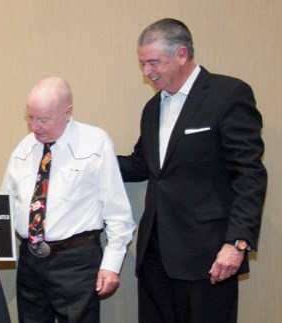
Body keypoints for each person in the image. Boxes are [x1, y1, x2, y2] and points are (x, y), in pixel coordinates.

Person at [118, 18, 266, 323]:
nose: (146, 71)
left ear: (182, 54)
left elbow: (249, 173)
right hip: (155, 254)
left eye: (153, 62)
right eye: (143, 63)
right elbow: (141, 165)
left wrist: (237, 242)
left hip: (207, 254)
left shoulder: (228, 94)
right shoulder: (153, 107)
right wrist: (87, 160)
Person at [0, 77, 135, 323]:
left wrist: (111, 264)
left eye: (43, 119)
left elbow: (117, 211)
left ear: (68, 112)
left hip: (76, 261)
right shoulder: (24, 148)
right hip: (30, 260)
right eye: (30, 117)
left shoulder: (95, 142)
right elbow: (6, 203)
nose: (34, 127)